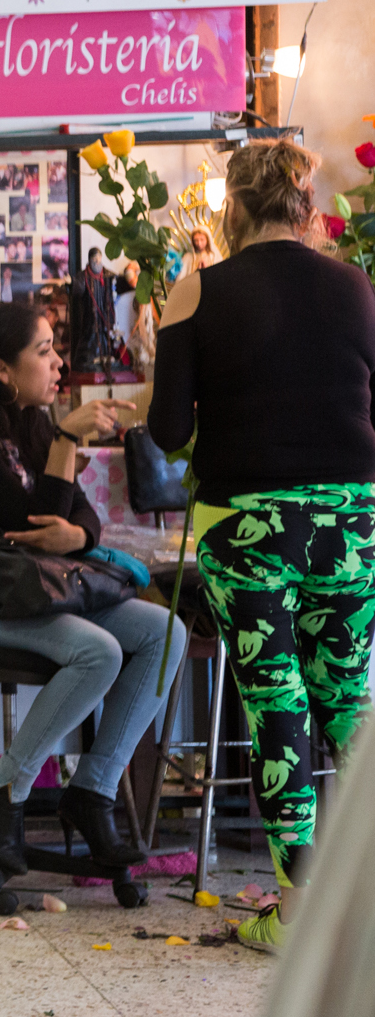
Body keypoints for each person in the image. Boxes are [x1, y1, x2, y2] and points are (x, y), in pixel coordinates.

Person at [148, 140, 375, 955]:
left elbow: (168, 432)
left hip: (246, 526)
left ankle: (299, 912)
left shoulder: (197, 290)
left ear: (231, 211)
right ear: (310, 209)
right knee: (352, 707)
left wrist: (166, 354)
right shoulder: (356, 287)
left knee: (275, 702)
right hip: (352, 517)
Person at [0, 301, 182, 873]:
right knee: (96, 650)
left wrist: (74, 528)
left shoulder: (29, 420)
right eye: (44, 351)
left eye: (56, 349)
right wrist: (65, 444)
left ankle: (92, 791)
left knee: (163, 632)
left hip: (20, 588)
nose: (58, 365)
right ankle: (4, 792)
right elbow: (31, 526)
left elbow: (76, 520)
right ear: (1, 369)